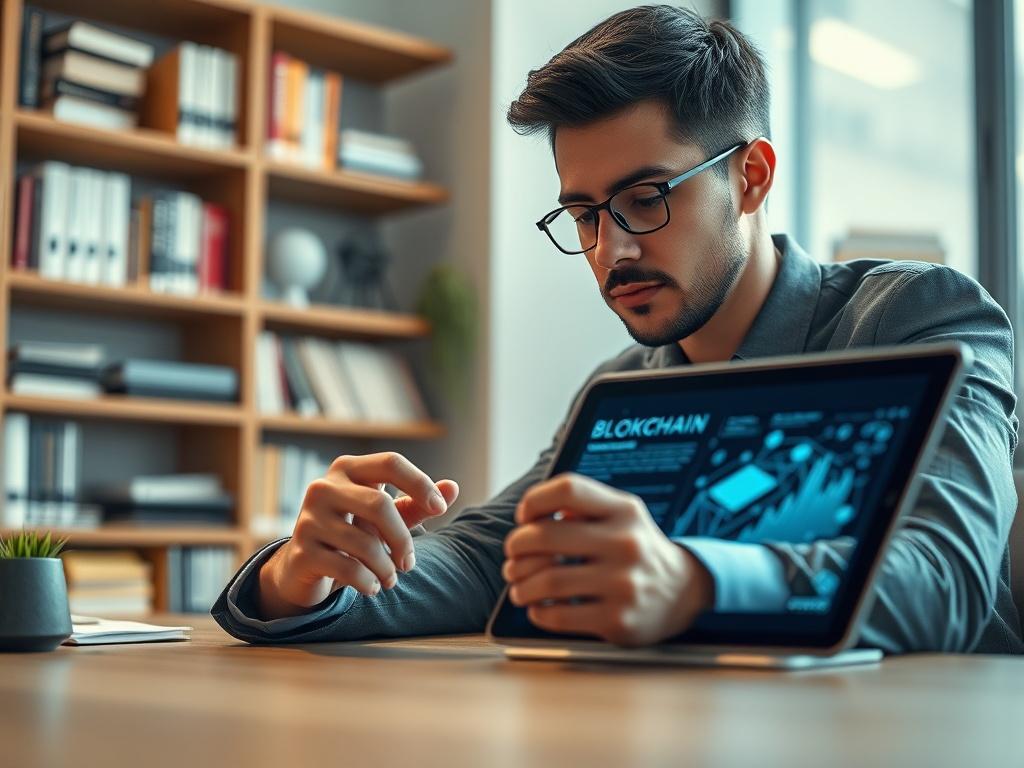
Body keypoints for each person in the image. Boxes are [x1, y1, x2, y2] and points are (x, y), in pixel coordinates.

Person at [212, 5, 1021, 653]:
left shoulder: (922, 319)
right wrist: (305, 577)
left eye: (646, 198)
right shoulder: (626, 386)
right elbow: (491, 555)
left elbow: (945, 577)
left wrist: (696, 582)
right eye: (583, 212)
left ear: (751, 177)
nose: (611, 248)